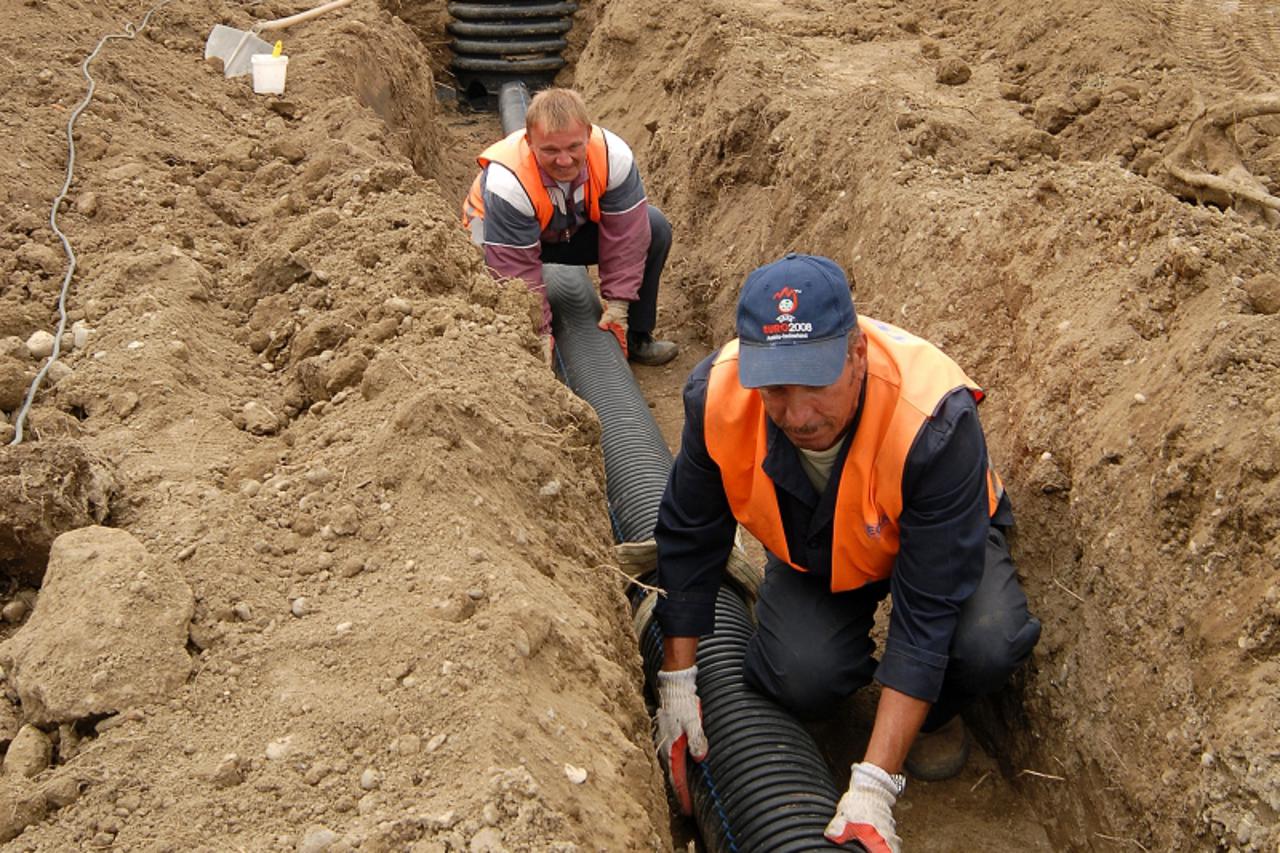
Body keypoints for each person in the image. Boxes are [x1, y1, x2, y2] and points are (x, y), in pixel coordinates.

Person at [651, 254, 1041, 851]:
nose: (799, 415)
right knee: (798, 675)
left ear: (856, 352)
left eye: (815, 383)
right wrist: (678, 680)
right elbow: (689, 534)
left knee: (988, 638)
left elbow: (928, 608)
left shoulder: (933, 417)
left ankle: (929, 716)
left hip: (936, 542)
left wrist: (876, 786)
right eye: (777, 390)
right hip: (821, 549)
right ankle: (854, 686)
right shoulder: (720, 396)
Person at [461, 87, 679, 366]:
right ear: (529, 141)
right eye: (550, 150)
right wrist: (537, 333)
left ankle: (637, 336)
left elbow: (627, 236)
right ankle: (505, 349)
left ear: (588, 134)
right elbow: (513, 269)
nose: (564, 160)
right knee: (482, 267)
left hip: (568, 232)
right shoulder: (508, 182)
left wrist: (619, 307)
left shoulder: (613, 156)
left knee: (654, 226)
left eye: (573, 147)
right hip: (497, 243)